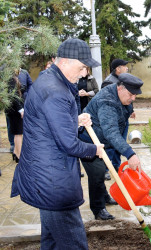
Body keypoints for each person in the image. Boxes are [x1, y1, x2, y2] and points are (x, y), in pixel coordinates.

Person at [10, 38, 104, 250]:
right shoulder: (56, 91)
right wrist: (94, 150)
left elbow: (49, 125)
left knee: (52, 242)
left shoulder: (49, 80)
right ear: (65, 62)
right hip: (53, 182)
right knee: (74, 243)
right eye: (81, 67)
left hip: (45, 176)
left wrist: (75, 120)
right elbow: (69, 145)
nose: (83, 74)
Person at [79, 73, 144, 220]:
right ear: (120, 88)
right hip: (89, 141)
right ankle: (98, 209)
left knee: (105, 170)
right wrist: (130, 154)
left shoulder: (122, 95)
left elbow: (124, 110)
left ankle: (104, 196)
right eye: (131, 94)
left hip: (104, 141)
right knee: (97, 173)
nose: (133, 98)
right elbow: (111, 131)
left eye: (135, 95)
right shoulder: (107, 101)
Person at [101, 58, 134, 180]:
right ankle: (106, 169)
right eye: (124, 66)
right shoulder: (108, 82)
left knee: (120, 144)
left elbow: (130, 96)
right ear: (118, 69)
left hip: (124, 118)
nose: (126, 68)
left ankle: (116, 167)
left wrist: (131, 110)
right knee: (110, 144)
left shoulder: (125, 80)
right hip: (114, 120)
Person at [5, 72, 24, 162]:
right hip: (15, 110)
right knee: (18, 133)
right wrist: (20, 109)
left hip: (13, 109)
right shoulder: (11, 78)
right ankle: (18, 155)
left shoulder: (11, 77)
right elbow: (13, 96)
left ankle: (16, 153)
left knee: (18, 133)